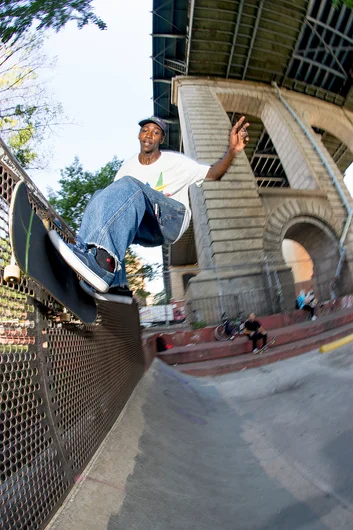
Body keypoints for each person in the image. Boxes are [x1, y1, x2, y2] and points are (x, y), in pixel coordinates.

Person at [49, 115, 250, 303]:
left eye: (155, 132)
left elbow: (214, 173)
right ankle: (114, 282)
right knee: (101, 197)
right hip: (147, 227)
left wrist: (232, 150)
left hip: (172, 220)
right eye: (146, 130)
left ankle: (102, 265)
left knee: (131, 187)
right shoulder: (127, 166)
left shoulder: (175, 162)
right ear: (139, 135)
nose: (149, 135)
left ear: (161, 138)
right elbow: (113, 215)